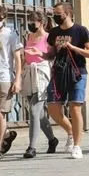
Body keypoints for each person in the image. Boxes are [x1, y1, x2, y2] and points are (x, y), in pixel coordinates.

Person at [45, 3, 89, 160]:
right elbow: (52, 53)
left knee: (75, 107)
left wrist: (73, 48)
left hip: (77, 72)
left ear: (67, 13)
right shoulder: (53, 32)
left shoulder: (80, 30)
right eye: (54, 13)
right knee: (53, 107)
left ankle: (77, 146)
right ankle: (70, 131)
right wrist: (42, 54)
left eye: (58, 13)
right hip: (59, 72)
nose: (55, 15)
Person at [19, 11, 58, 158]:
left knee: (34, 110)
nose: (30, 23)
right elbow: (25, 56)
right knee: (40, 114)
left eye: (33, 21)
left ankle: (32, 147)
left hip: (41, 72)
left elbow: (52, 56)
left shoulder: (48, 37)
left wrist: (39, 53)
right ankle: (52, 140)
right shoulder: (29, 37)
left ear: (41, 22)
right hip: (28, 72)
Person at [0, 5, 22, 159]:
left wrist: (17, 80)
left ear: (4, 19)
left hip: (4, 77)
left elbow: (17, 58)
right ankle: (7, 134)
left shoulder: (10, 34)